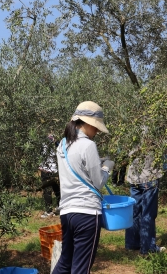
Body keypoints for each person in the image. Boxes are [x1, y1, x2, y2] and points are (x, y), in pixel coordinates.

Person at [52, 101, 114, 274]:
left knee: (65, 262)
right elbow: (98, 182)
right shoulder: (88, 145)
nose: (97, 132)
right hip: (87, 213)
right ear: (87, 123)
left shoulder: (62, 144)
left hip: (67, 212)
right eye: (96, 127)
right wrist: (107, 167)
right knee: (81, 268)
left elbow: (75, 169)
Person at [124, 138, 165, 255]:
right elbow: (165, 149)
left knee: (135, 211)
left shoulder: (131, 128)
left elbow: (124, 152)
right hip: (149, 176)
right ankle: (148, 248)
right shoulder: (155, 128)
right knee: (148, 213)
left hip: (134, 178)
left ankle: (132, 243)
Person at [39, 133, 61, 218]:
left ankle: (48, 211)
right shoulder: (55, 141)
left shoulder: (42, 141)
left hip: (46, 169)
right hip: (55, 169)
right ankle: (60, 206)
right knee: (56, 188)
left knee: (47, 190)